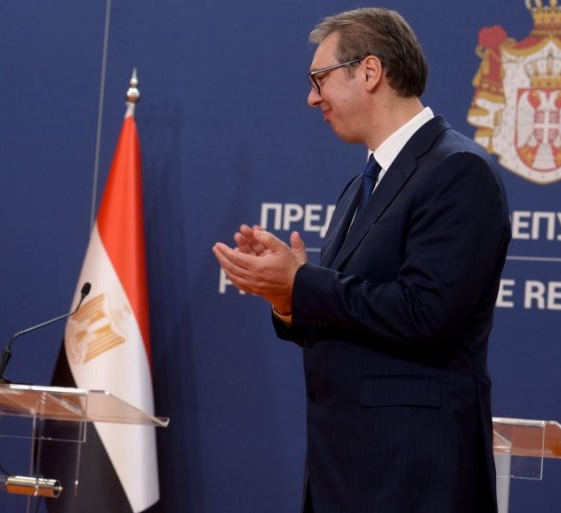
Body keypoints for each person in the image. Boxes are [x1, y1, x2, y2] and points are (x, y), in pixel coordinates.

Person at [213, 8, 510, 513]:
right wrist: (288, 298)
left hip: (414, 476)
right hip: (344, 471)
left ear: (369, 71)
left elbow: (427, 314)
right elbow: (352, 319)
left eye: (320, 79)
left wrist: (304, 283)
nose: (312, 98)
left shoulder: (459, 170)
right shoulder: (360, 186)